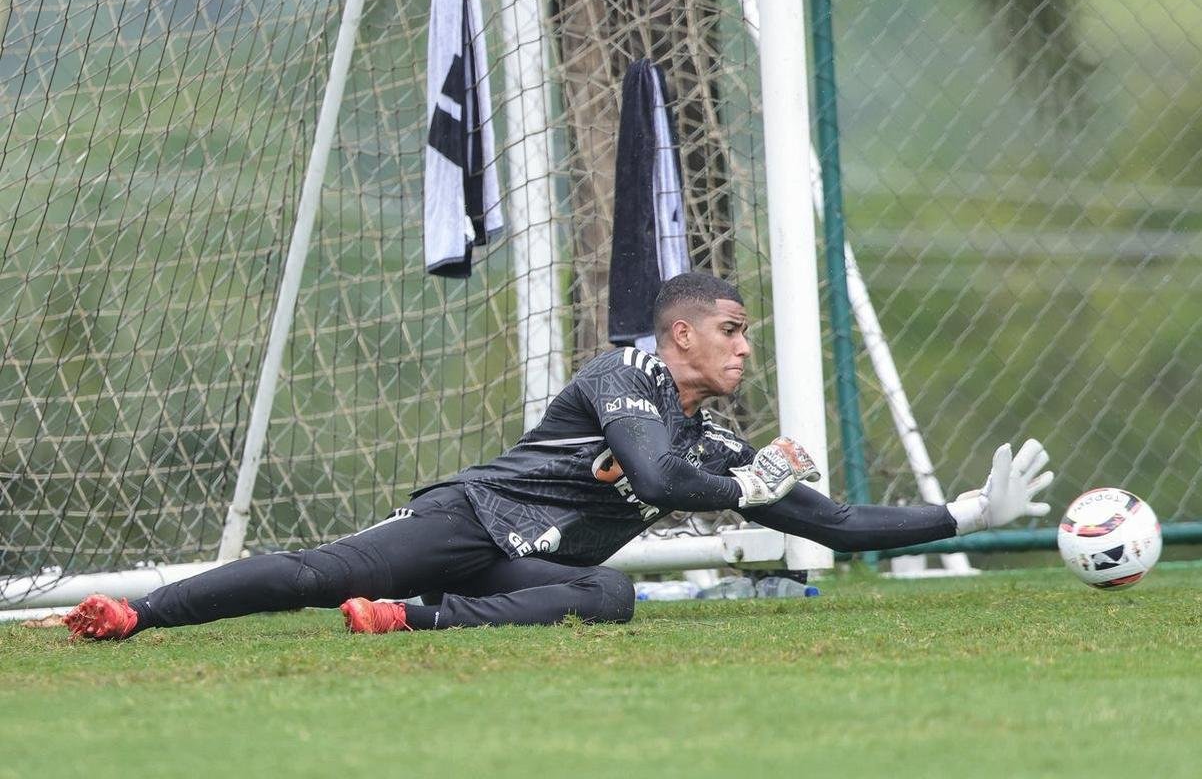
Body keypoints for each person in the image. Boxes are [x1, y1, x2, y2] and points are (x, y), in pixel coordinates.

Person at [64, 272, 1052, 640]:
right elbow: (661, 480)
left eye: (747, 332)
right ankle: (135, 611)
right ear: (678, 339)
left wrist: (966, 515)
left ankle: (414, 620)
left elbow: (832, 524)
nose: (745, 346)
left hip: (505, 566)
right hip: (464, 519)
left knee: (605, 596)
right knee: (310, 573)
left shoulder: (716, 438)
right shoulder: (620, 380)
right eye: (731, 328)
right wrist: (746, 482)